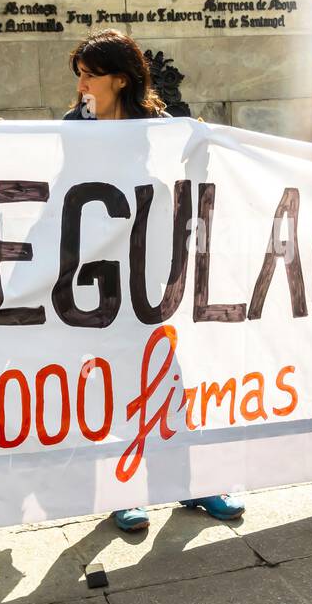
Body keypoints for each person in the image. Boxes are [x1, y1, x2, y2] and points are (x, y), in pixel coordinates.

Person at [63, 29, 246, 531]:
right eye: (78, 73)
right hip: (96, 274)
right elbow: (64, 192)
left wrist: (202, 138)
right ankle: (122, 488)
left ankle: (190, 484)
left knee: (166, 374)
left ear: (119, 79)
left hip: (149, 267)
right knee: (113, 376)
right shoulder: (71, 126)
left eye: (89, 74)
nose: (80, 83)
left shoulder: (157, 124)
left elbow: (194, 172)